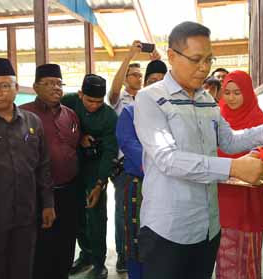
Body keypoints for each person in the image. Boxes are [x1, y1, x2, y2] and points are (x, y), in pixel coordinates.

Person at [133, 21, 263, 279]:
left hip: (207, 230)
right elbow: (168, 159)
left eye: (208, 59)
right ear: (172, 56)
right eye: (196, 59)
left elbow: (228, 140)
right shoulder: (151, 99)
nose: (204, 67)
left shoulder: (206, 99)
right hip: (168, 232)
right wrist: (234, 168)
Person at [0, 58, 55, 279]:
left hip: (26, 216)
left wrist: (48, 203)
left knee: (22, 270)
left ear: (15, 86)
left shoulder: (32, 122)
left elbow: (43, 166)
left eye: (4, 85)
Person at [20, 64, 81, 279]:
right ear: (36, 87)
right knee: (43, 246)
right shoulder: (24, 114)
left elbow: (75, 144)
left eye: (58, 83)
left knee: (66, 241)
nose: (56, 88)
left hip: (70, 190)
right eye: (49, 84)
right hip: (39, 194)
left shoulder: (70, 114)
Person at [108, 40, 161, 273]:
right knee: (126, 216)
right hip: (129, 169)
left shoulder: (158, 101)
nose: (138, 79)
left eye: (142, 76)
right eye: (135, 75)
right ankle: (123, 254)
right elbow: (128, 142)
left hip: (161, 171)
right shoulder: (124, 102)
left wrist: (157, 62)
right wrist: (128, 56)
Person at [215, 70, 263, 279]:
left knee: (247, 262)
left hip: (247, 202)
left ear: (247, 93)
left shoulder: (260, 120)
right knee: (225, 262)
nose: (231, 97)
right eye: (227, 92)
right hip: (221, 200)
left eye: (237, 92)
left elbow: (261, 155)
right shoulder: (218, 118)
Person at [116, 59, 167, 279]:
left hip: (169, 185)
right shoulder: (130, 111)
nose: (157, 85)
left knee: (164, 237)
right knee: (136, 239)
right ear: (145, 84)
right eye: (152, 81)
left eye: (162, 82)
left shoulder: (174, 113)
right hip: (139, 183)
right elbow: (128, 143)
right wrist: (161, 167)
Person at [63, 74, 118, 279]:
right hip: (72, 166)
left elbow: (110, 152)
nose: (94, 105)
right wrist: (79, 137)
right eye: (89, 100)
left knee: (96, 215)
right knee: (77, 214)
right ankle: (85, 255)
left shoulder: (110, 117)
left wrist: (99, 184)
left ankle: (98, 262)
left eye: (98, 101)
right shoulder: (68, 101)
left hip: (96, 166)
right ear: (80, 94)